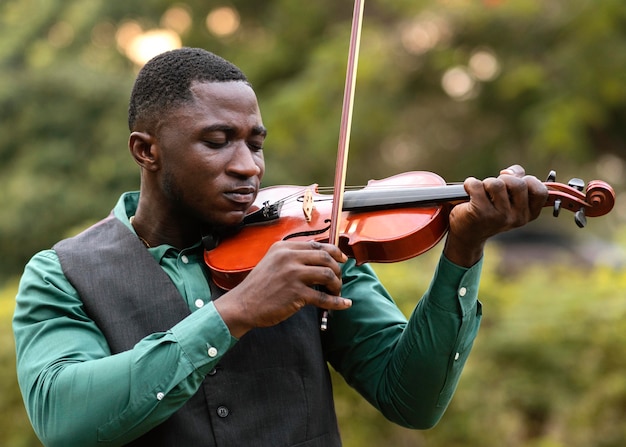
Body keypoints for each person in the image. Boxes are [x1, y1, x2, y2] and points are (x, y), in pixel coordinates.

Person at [13, 47, 548, 447]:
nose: (248, 165)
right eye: (217, 142)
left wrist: (463, 250)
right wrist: (235, 312)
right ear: (146, 150)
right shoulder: (62, 274)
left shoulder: (310, 241)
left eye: (255, 142)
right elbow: (65, 419)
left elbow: (413, 401)